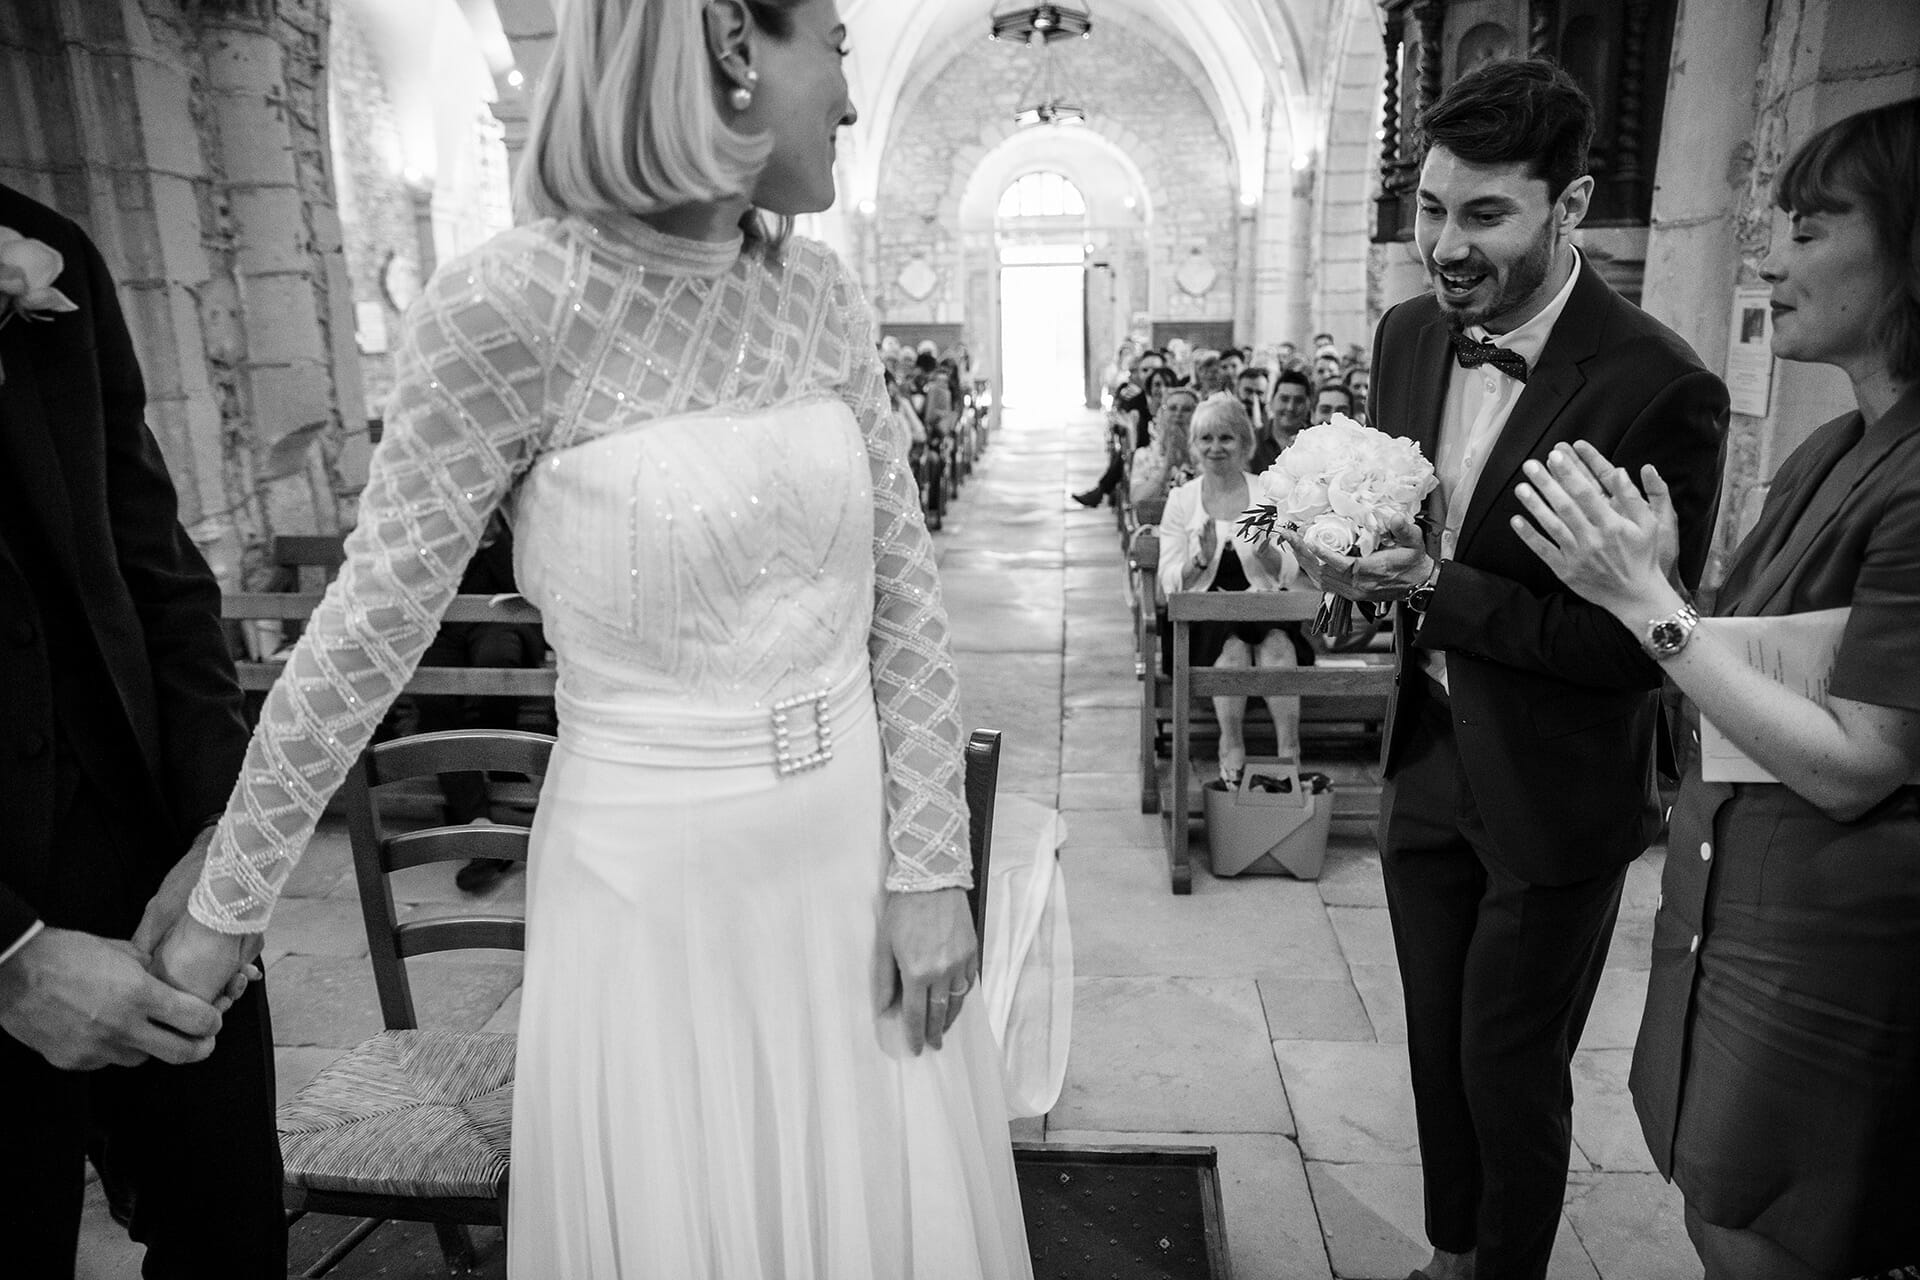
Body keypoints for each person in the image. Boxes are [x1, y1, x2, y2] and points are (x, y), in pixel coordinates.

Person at [151, 0, 1035, 1274]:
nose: (850, 96)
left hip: (853, 868)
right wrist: (229, 902)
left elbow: (906, 604)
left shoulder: (823, 296)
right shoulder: (506, 309)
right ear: (735, 43)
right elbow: (364, 630)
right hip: (648, 892)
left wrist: (931, 870)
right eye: (834, 44)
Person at [1281, 60, 1728, 1280]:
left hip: (1552, 782)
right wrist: (1347, 578)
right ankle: (1452, 1247)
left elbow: (1626, 638)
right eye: (1434, 208)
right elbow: (1390, 529)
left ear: (1570, 204)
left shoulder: (1660, 386)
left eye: (1486, 214)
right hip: (1423, 753)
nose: (1446, 245)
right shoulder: (1409, 335)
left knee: (1508, 1060)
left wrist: (1431, 583)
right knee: (1437, 1038)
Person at [1513, 96, 1920, 1280]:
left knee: (1772, 1225)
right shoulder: (1835, 445)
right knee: (1722, 1202)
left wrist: (1647, 601)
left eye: (1812, 226)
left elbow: (1859, 760)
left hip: (1836, 927)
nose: (1771, 257)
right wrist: (1642, 578)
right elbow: (1747, 645)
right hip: (1740, 897)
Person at [0, 182, 285, 1274]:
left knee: (229, 1237)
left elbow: (160, 574)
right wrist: (10, 955)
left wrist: (226, 845)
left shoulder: (52, 249)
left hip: (159, 867)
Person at [1158, 395, 1306, 782]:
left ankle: (1289, 750)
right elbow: (1168, 581)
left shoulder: (1265, 494)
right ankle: (1232, 743)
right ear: (1194, 445)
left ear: (1244, 443)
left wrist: (1266, 553)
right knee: (1233, 647)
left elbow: (1289, 572)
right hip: (1203, 618)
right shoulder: (1183, 499)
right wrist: (1201, 560)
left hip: (1263, 608)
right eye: (1205, 438)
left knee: (1277, 645)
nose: (1215, 447)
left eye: (1226, 437)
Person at [414, 512, 548, 894]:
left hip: (502, 616)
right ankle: (478, 824)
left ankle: (503, 761)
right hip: (442, 625)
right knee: (431, 687)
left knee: (496, 661)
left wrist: (491, 538)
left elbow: (522, 582)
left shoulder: (508, 506)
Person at [1128, 384, 1198, 526]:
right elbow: (1137, 500)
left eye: (1186, 409)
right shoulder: (1144, 455)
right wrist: (1166, 467)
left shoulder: (1207, 454)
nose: (1178, 414)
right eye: (1172, 408)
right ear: (1162, 413)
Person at [1250, 367, 1311, 473]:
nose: (1290, 407)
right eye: (1284, 399)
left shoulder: (1316, 443)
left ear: (1308, 405)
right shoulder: (1252, 441)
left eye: (1299, 401)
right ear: (1272, 400)